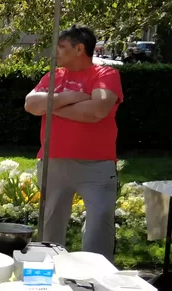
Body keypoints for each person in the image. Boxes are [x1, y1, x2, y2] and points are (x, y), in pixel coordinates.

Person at [24, 24, 122, 260]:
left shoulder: (105, 75)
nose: (55, 52)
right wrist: (69, 98)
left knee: (100, 222)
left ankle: (95, 274)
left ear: (79, 49)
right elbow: (30, 105)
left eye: (62, 47)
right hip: (53, 162)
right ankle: (50, 269)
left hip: (96, 165)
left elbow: (97, 110)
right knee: (50, 223)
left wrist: (51, 107)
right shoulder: (53, 76)